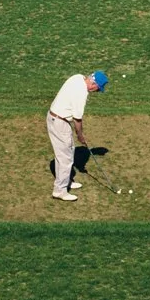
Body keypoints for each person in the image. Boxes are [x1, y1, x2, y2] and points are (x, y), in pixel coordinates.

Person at [47, 69, 107, 201]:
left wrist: (81, 167)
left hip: (56, 117)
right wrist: (80, 135)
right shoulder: (82, 94)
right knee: (65, 158)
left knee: (69, 150)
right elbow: (77, 119)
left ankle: (66, 181)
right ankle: (60, 191)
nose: (96, 91)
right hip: (59, 122)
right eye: (97, 89)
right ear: (94, 84)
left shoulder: (78, 77)